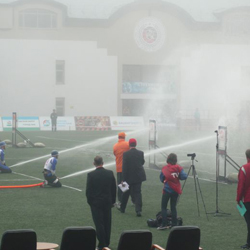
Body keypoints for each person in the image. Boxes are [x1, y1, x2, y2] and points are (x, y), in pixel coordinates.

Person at [86, 156, 116, 250]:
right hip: (107, 202)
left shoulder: (91, 175)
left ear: (94, 163)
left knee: (99, 223)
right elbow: (113, 189)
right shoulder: (110, 173)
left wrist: (90, 202)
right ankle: (106, 242)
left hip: (96, 203)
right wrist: (112, 201)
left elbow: (88, 191)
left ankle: (102, 244)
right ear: (103, 163)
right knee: (107, 222)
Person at [157, 153, 187, 230]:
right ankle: (174, 224)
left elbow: (161, 178)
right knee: (173, 207)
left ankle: (164, 224)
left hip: (167, 190)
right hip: (176, 190)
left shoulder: (165, 168)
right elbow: (184, 176)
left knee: (163, 207)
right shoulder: (178, 168)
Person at [119, 138, 146, 217]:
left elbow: (124, 167)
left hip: (128, 176)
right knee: (138, 193)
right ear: (136, 144)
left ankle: (122, 208)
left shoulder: (126, 154)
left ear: (129, 144)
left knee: (126, 192)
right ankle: (138, 210)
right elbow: (142, 162)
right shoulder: (141, 153)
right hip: (138, 176)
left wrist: (123, 179)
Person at [236, 149, 250, 249]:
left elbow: (241, 185)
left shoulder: (244, 168)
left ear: (246, 157)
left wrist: (238, 199)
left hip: (248, 199)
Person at [113, 132, 130, 206]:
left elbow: (115, 154)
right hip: (128, 168)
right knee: (130, 184)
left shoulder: (115, 146)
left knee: (120, 185)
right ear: (124, 137)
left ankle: (120, 201)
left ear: (118, 137)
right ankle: (133, 200)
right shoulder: (127, 144)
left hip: (119, 168)